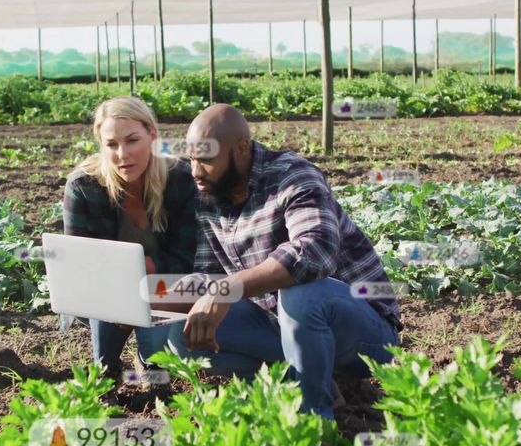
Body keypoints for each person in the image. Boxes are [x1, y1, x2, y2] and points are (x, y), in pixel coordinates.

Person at [167, 104, 403, 419]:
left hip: (364, 334)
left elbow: (315, 251)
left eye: (207, 160)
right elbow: (209, 275)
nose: (196, 171)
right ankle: (308, 381)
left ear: (241, 149)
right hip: (282, 327)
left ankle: (314, 422)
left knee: (302, 293)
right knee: (183, 337)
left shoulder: (291, 174)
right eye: (192, 159)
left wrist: (229, 287)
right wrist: (169, 294)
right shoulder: (207, 195)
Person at [62, 96, 198, 379]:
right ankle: (105, 372)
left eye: (132, 140)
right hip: (106, 293)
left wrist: (132, 274)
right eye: (111, 144)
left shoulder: (181, 179)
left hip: (165, 288)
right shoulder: (84, 186)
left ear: (152, 135)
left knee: (156, 364)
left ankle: (151, 363)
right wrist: (123, 288)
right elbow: (79, 265)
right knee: (107, 296)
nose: (122, 154)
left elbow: (185, 260)